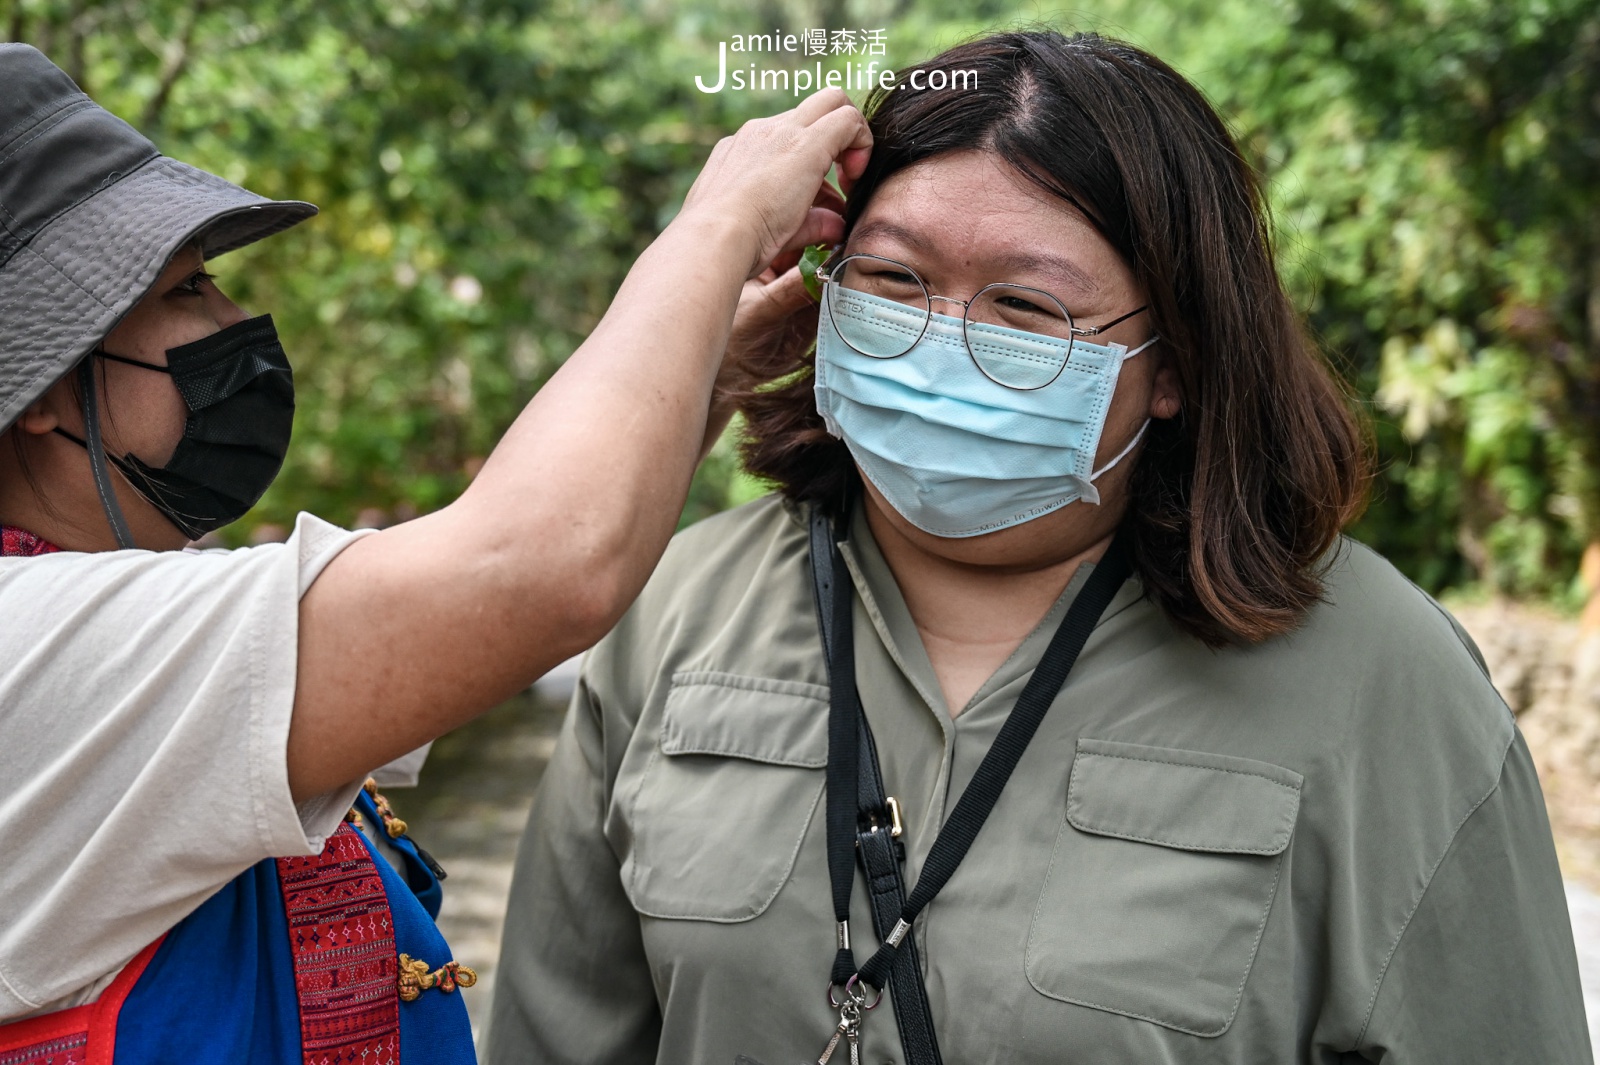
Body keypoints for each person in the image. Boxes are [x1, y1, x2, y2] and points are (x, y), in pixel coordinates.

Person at [486, 29, 1593, 1065]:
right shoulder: (677, 608)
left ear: (1175, 364)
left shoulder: (1380, 678)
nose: (940, 343)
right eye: (893, 280)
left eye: (1024, 307)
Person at [0, 43, 871, 1064]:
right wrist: (719, 223)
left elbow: (466, 574)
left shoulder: (112, 621)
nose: (239, 323)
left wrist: (709, 369)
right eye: (191, 292)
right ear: (53, 393)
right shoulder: (36, 655)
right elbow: (527, 569)